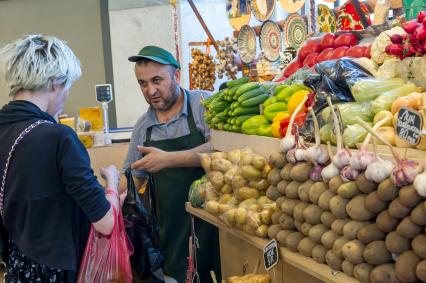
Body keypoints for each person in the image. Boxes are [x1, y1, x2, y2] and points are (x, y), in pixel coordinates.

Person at [0, 34, 120, 282]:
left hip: (17, 269)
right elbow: (105, 223)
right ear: (55, 82)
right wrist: (112, 185)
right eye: (68, 86)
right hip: (57, 271)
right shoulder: (58, 137)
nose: (66, 95)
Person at [124, 45, 221, 282]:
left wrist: (168, 160)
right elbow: (133, 178)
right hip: (172, 233)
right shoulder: (143, 127)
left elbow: (220, 149)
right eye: (143, 83)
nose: (151, 90)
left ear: (176, 76)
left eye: (157, 80)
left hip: (216, 223)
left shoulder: (203, 105)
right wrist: (105, 199)